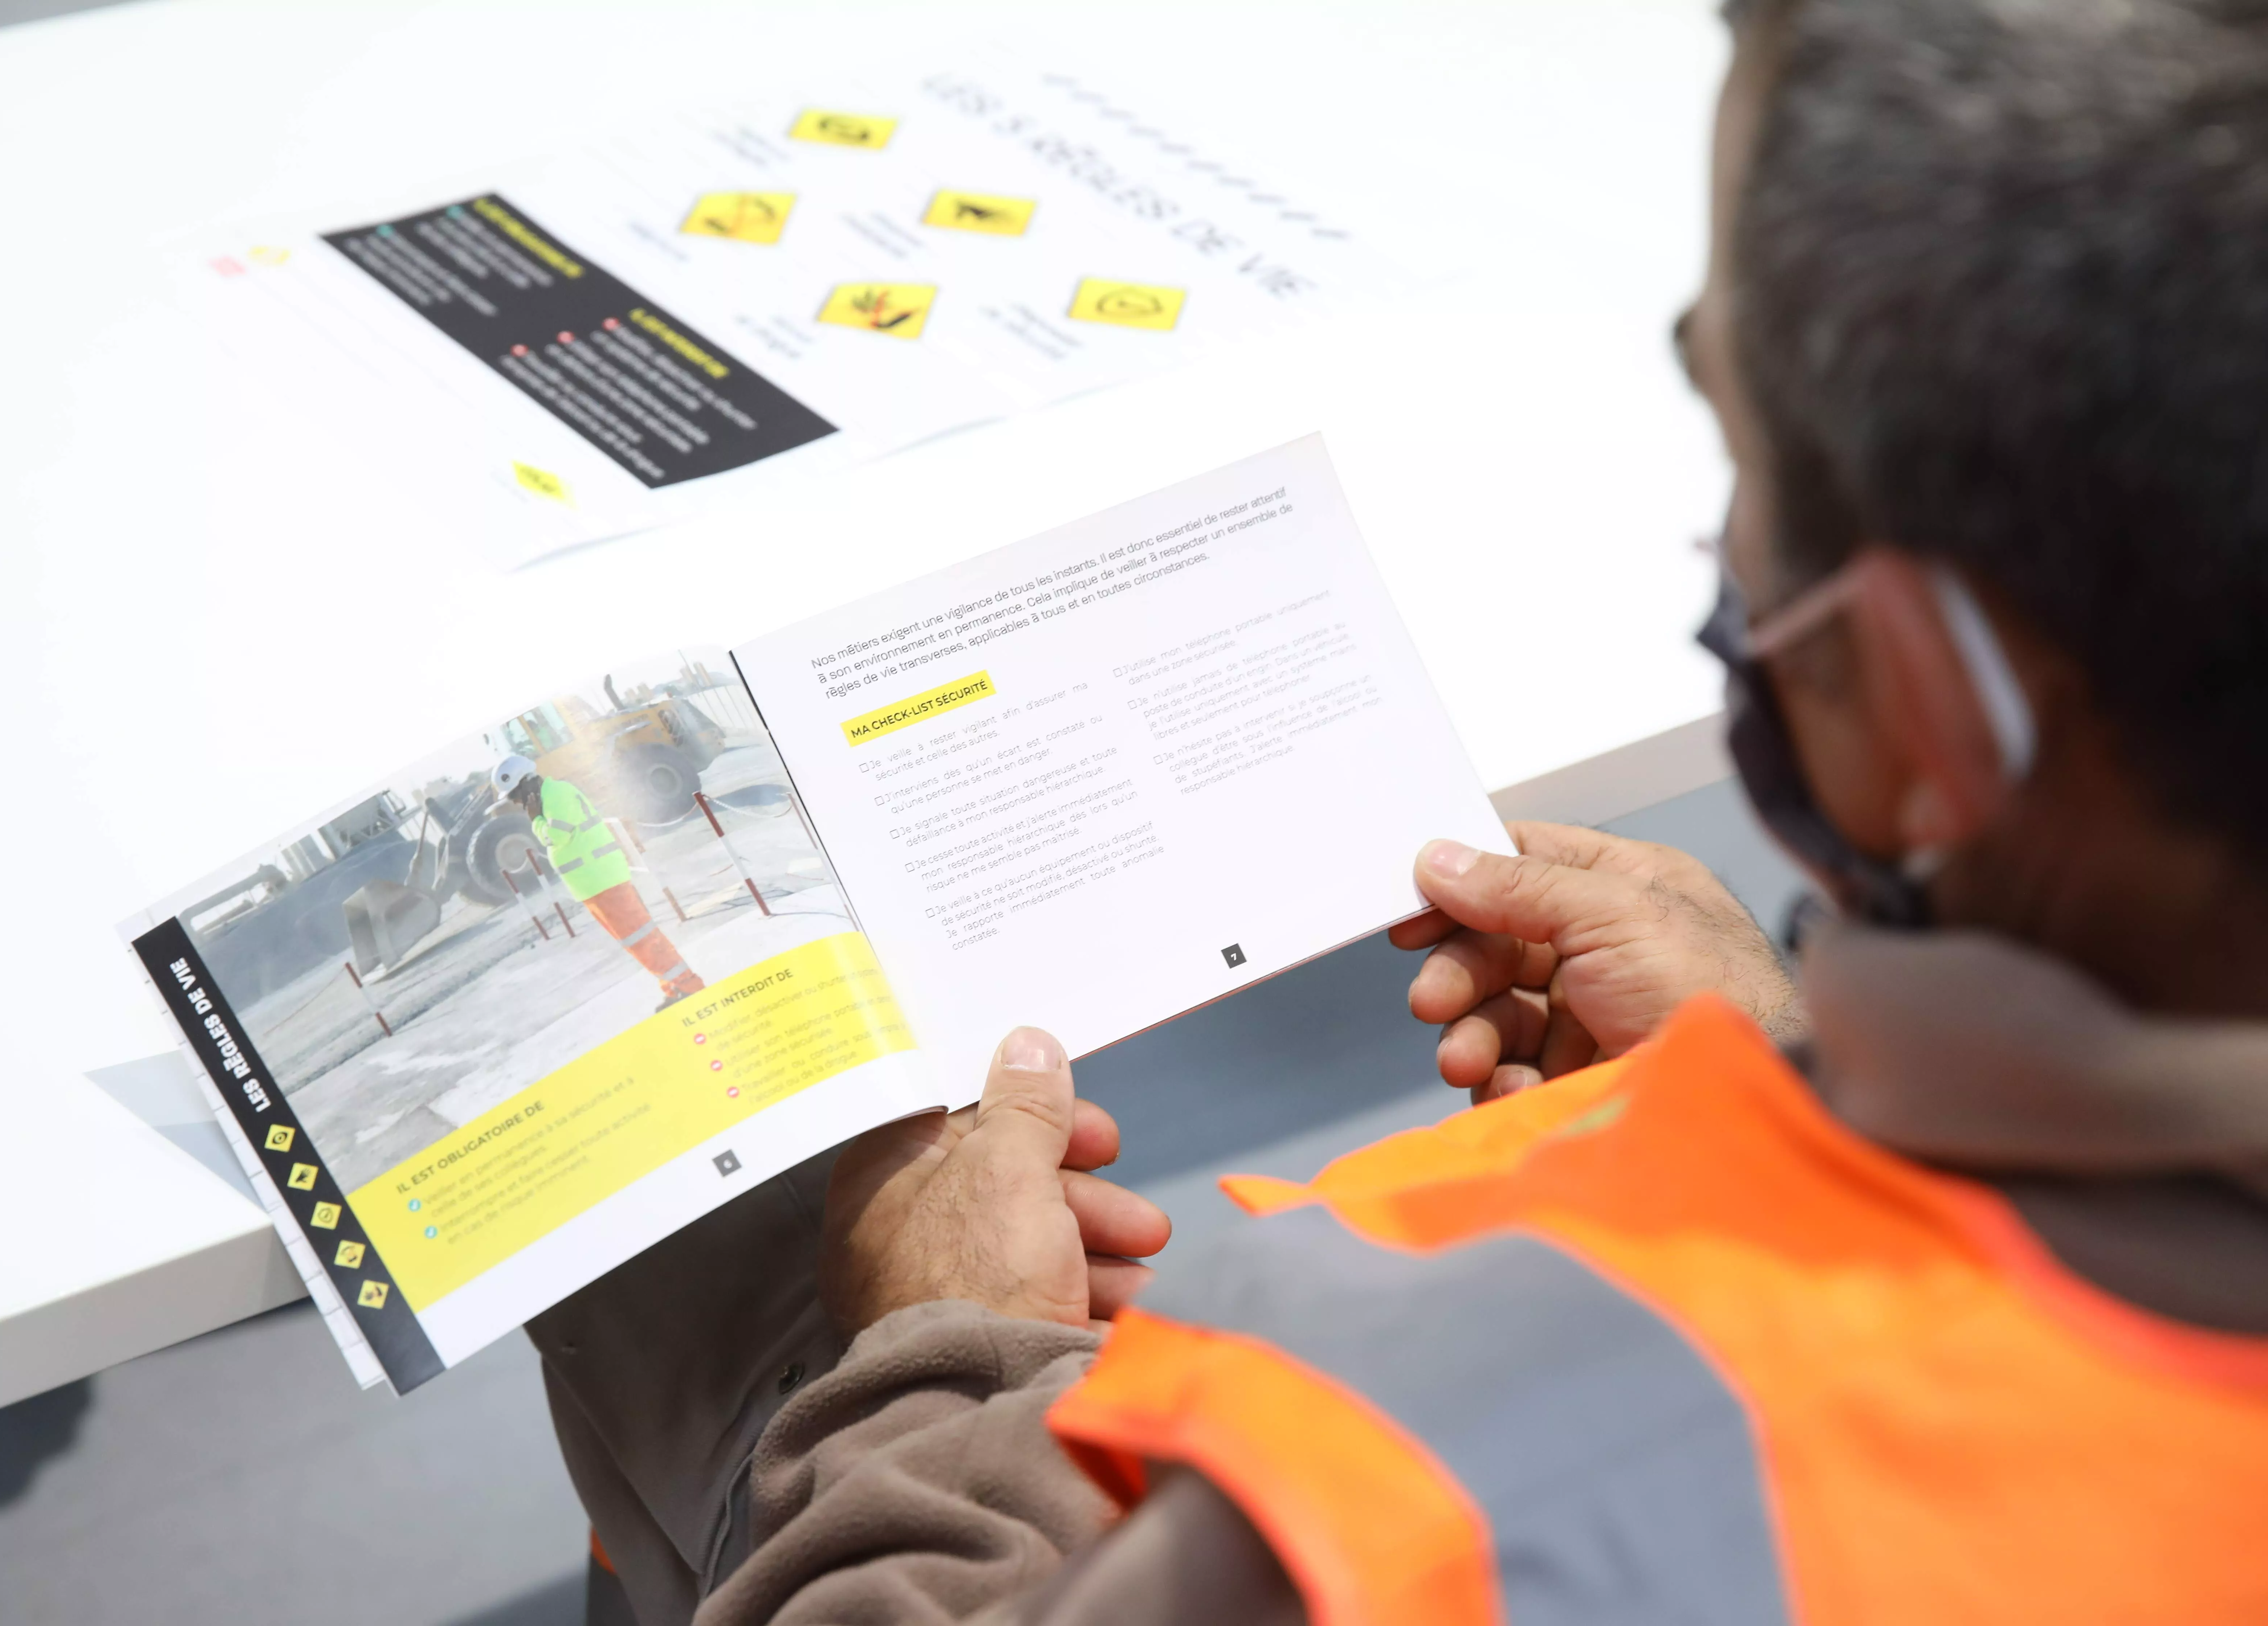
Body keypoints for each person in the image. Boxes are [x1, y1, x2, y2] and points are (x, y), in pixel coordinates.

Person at [559, 0, 2268, 1618]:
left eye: (1732, 427)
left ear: (1922, 703)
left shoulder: (1439, 1489)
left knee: (704, 1233)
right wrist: (1786, 1049)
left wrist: (947, 1357)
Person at [493, 755, 705, 1004]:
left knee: (642, 937)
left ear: (527, 784)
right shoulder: (550, 797)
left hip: (603, 879)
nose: (518, 803)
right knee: (636, 941)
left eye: (515, 796)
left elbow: (557, 837)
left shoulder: (556, 795)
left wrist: (537, 821)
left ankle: (689, 986)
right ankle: (674, 987)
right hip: (594, 883)